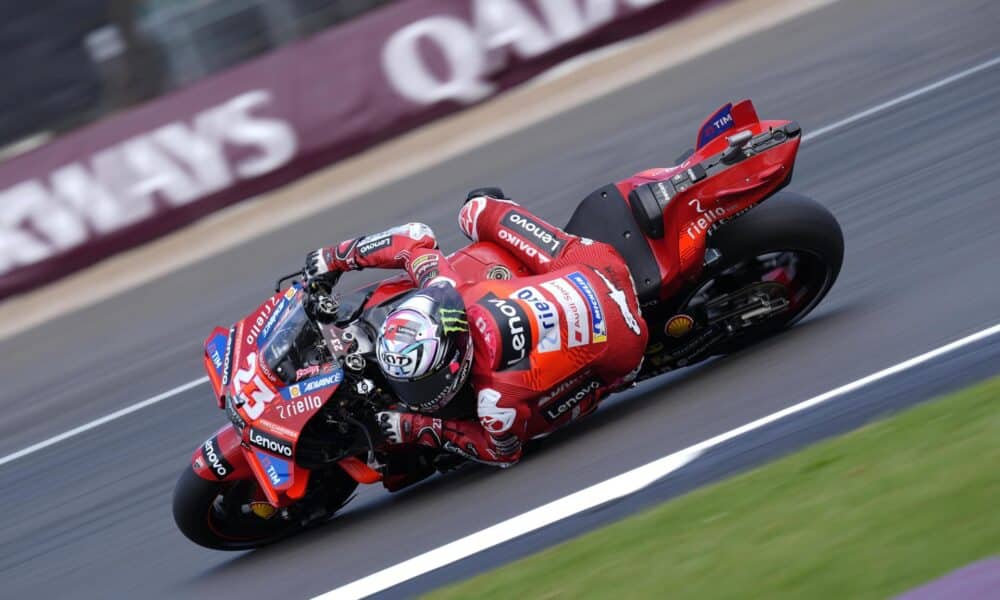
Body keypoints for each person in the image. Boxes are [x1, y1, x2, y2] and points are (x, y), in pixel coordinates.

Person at [304, 192, 648, 467]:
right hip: (586, 266)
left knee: (535, 423)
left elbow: (503, 453)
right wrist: (332, 259)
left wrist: (415, 426)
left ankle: (612, 380)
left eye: (422, 382)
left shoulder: (494, 400)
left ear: (455, 363)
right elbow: (413, 239)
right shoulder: (447, 290)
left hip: (625, 342)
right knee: (477, 207)